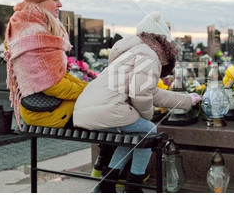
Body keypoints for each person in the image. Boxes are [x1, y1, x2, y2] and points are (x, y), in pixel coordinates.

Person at [73, 12, 202, 193]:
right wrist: (147, 116)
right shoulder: (149, 55)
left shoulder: (129, 53)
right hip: (107, 111)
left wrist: (186, 100)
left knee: (133, 135)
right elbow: (141, 93)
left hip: (84, 111)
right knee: (148, 130)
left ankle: (107, 185)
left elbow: (149, 92)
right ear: (162, 39)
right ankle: (133, 186)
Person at [4, 0, 87, 128]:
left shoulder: (28, 27)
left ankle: (105, 154)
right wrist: (90, 91)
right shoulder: (34, 35)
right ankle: (106, 154)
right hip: (48, 113)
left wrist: (90, 87)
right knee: (117, 117)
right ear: (40, 0)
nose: (60, 5)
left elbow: (58, 75)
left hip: (43, 109)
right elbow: (53, 86)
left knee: (113, 114)